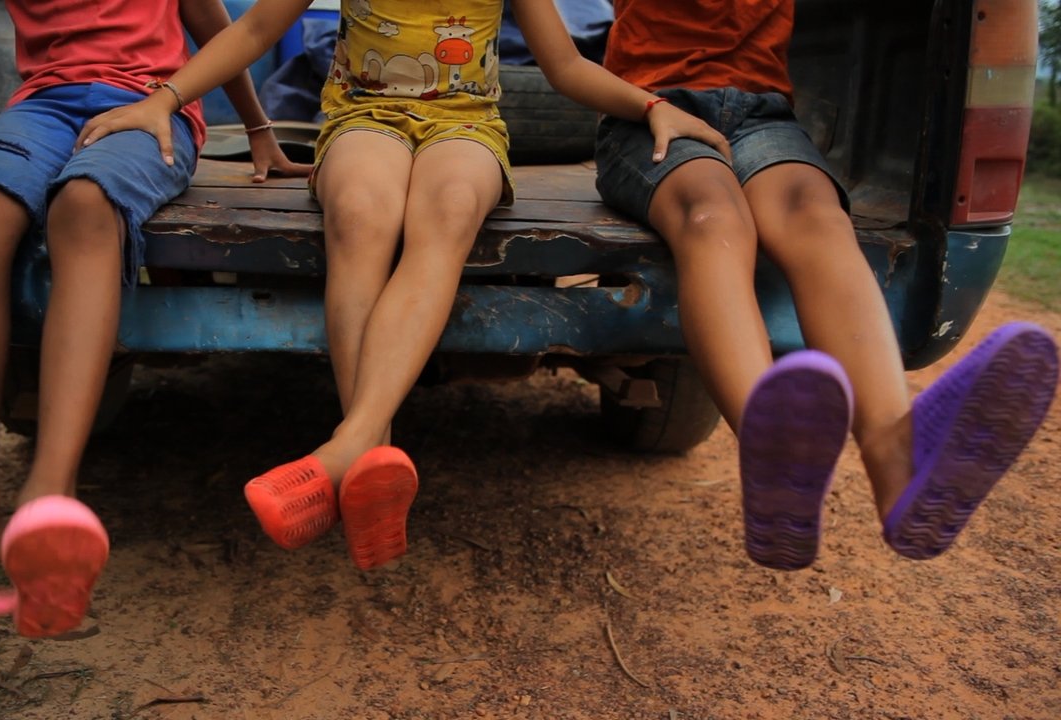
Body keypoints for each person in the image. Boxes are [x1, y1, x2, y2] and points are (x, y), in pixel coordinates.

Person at [73, 0, 732, 570]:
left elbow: (563, 66)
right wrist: (164, 99)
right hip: (363, 121)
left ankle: (350, 445)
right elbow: (253, 30)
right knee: (361, 214)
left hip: (466, 128)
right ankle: (374, 459)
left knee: (450, 209)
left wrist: (652, 106)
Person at [0, 0, 311, 640]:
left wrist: (257, 128)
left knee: (85, 202)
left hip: (151, 106)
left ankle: (50, 495)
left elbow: (223, 26)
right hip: (44, 106)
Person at [593, 0, 1059, 570]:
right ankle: (772, 451)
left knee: (818, 217)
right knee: (713, 217)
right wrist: (647, 104)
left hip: (762, 115)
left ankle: (898, 464)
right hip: (650, 109)